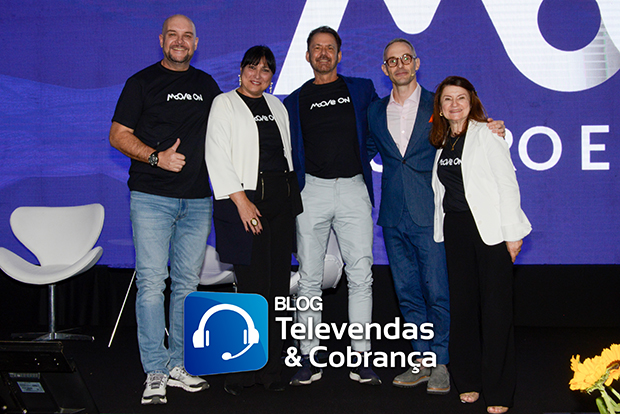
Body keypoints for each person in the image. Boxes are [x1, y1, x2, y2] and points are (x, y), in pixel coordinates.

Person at [367, 38, 506, 395]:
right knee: (407, 293)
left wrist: (493, 127)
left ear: (416, 63)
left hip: (431, 213)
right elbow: (362, 150)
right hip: (392, 215)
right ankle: (422, 358)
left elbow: (467, 135)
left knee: (438, 291)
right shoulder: (374, 111)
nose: (400, 65)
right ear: (384, 69)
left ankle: (442, 361)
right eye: (392, 60)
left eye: (406, 58)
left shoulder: (440, 104)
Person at [109, 14, 221, 405]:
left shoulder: (207, 85)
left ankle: (179, 364)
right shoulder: (140, 82)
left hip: (197, 201)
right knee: (152, 284)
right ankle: (155, 369)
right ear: (161, 40)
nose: (180, 41)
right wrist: (157, 157)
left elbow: (225, 133)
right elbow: (118, 135)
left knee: (187, 286)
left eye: (187, 36)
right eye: (173, 35)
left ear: (195, 43)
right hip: (151, 198)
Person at [283, 26, 381, 385]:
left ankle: (361, 357)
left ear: (339, 55)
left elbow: (378, 131)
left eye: (329, 48)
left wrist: (359, 157)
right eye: (316, 48)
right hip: (312, 192)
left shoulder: (361, 89)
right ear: (307, 55)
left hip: (354, 189)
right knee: (309, 278)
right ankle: (309, 357)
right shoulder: (293, 101)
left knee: (361, 276)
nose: (323, 53)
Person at [430, 76, 531, 413]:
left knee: (496, 311)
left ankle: (499, 392)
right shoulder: (442, 142)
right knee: (463, 310)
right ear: (440, 107)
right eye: (447, 99)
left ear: (471, 101)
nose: (454, 104)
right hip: (456, 231)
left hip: (489, 231)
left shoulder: (487, 134)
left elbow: (507, 184)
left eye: (461, 98)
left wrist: (513, 233)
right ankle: (468, 381)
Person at [205, 45, 302, 395]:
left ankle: (272, 370)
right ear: (241, 70)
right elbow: (216, 155)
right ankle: (243, 371)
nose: (257, 75)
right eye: (252, 67)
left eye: (265, 69)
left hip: (281, 206)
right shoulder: (224, 103)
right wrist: (242, 202)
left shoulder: (277, 105)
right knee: (251, 290)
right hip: (247, 204)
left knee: (277, 292)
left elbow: (286, 156)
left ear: (272, 76)